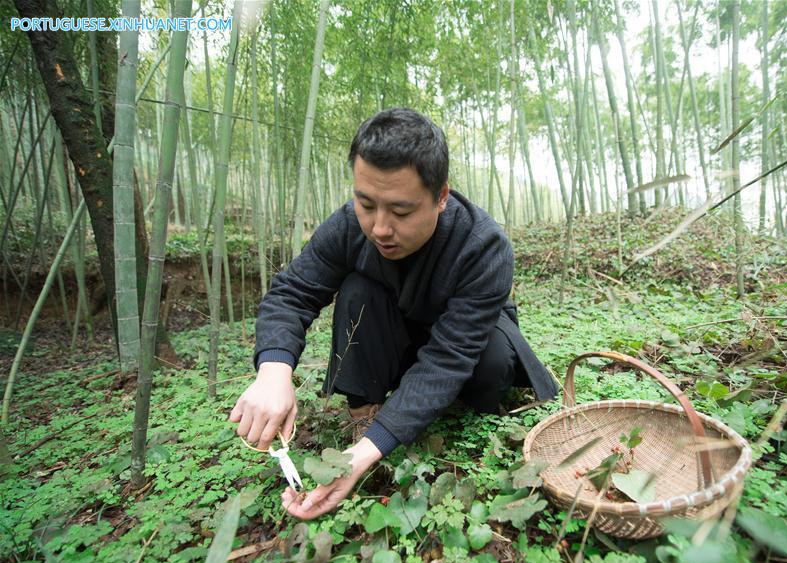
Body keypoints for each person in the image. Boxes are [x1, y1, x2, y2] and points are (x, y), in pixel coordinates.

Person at [228, 108, 557, 519]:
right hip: (394, 330)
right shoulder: (350, 225)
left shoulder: (484, 247)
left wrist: (364, 455)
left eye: (400, 212)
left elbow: (448, 358)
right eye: (366, 203)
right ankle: (367, 411)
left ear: (441, 197)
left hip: (463, 342)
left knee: (491, 363)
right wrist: (273, 371)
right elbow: (293, 291)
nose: (379, 228)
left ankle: (417, 404)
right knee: (357, 290)